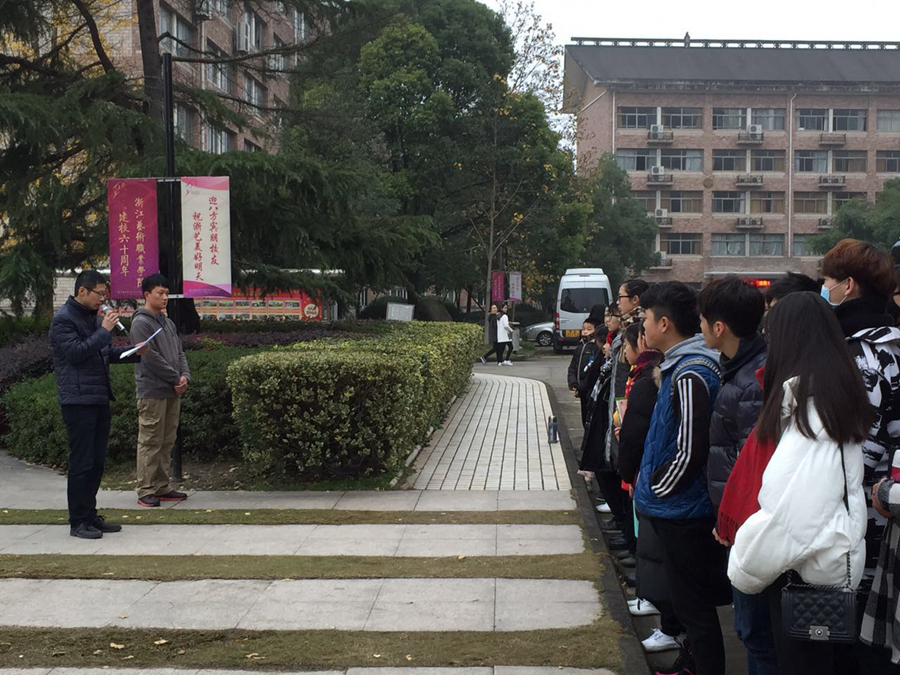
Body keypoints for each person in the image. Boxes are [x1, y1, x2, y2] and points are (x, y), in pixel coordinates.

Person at [727, 292, 870, 675]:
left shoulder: (815, 414)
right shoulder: (825, 402)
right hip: (815, 566)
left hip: (804, 571)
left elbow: (792, 516)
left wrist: (743, 563)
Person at [633, 281, 731, 675]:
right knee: (688, 603)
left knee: (695, 608)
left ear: (664, 323)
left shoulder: (691, 372)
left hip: (683, 510)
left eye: (646, 318)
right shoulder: (680, 365)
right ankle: (691, 664)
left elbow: (691, 449)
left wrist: (660, 488)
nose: (643, 326)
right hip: (678, 506)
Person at [820, 239, 900, 672]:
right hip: (887, 512)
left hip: (865, 518)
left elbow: (853, 452)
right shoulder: (891, 343)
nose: (825, 288)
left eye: (828, 281)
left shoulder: (861, 355)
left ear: (848, 285)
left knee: (856, 647)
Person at [698, 276, 773, 675]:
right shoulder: (740, 369)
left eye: (702, 320)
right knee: (752, 631)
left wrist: (734, 521)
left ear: (719, 327)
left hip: (749, 527)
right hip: (738, 522)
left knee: (756, 634)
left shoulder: (753, 381)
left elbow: (754, 467)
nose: (700, 327)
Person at [49, 270, 146, 539]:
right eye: (99, 294)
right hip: (77, 400)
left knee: (96, 462)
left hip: (99, 397)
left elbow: (103, 353)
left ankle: (90, 515)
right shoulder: (63, 319)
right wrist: (104, 331)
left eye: (105, 294)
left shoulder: (92, 318)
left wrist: (134, 352)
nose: (103, 300)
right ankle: (78, 521)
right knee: (82, 462)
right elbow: (76, 353)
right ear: (82, 291)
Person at [131, 274, 190, 508]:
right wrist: (175, 377)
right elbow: (150, 358)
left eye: (167, 293)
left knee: (167, 440)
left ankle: (162, 486)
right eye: (160, 293)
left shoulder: (168, 322)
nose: (165, 297)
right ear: (147, 295)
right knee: (150, 440)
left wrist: (185, 376)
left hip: (172, 390)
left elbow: (179, 352)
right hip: (152, 391)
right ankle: (145, 489)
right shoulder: (141, 323)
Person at [568, 317, 601, 425]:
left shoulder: (595, 347)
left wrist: (581, 387)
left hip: (589, 389)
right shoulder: (580, 346)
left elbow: (592, 371)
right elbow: (573, 366)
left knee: (591, 418)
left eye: (589, 329)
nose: (585, 332)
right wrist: (573, 383)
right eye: (583, 329)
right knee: (584, 416)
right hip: (580, 389)